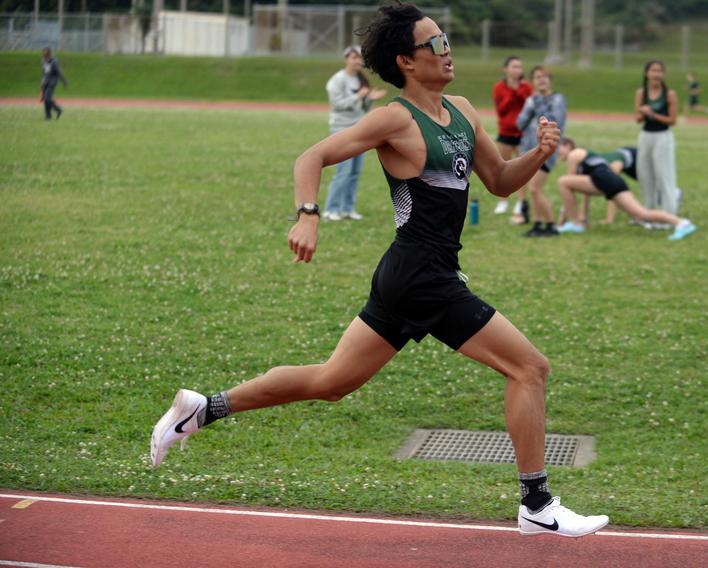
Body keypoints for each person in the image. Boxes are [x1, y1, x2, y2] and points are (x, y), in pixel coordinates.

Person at [150, 2, 609, 539]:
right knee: (529, 369)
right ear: (407, 62)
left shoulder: (461, 109)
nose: (447, 49)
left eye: (446, 39)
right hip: (421, 276)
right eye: (435, 43)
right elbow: (312, 157)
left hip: (410, 273)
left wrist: (538, 154)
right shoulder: (395, 117)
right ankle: (537, 504)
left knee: (330, 382)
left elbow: (501, 181)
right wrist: (308, 216)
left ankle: (204, 408)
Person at [555, 138, 696, 241]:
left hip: (604, 179)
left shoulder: (575, 154)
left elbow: (570, 183)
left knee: (563, 181)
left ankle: (576, 224)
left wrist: (565, 220)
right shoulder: (583, 161)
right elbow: (584, 193)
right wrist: (583, 219)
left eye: (558, 149)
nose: (556, 153)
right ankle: (682, 223)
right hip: (613, 181)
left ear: (568, 145)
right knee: (640, 214)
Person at [323, 45, 388, 221]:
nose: (357, 61)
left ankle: (347, 209)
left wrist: (369, 99)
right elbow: (337, 104)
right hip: (342, 129)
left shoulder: (361, 79)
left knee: (355, 172)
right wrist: (358, 96)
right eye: (354, 57)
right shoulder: (337, 80)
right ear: (346, 59)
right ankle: (331, 210)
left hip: (359, 129)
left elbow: (362, 106)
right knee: (343, 171)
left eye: (360, 58)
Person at [516, 65, 566, 237]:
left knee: (536, 188)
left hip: (547, 150)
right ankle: (538, 224)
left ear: (549, 79)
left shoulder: (558, 99)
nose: (541, 80)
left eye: (544, 76)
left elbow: (554, 120)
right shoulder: (531, 101)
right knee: (533, 188)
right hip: (529, 149)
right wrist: (533, 105)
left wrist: (538, 104)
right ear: (533, 81)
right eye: (537, 77)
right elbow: (520, 123)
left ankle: (551, 225)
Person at [635, 60, 679, 217]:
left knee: (664, 175)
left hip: (663, 137)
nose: (656, 74)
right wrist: (643, 113)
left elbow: (673, 120)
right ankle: (649, 212)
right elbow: (637, 118)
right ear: (646, 74)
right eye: (653, 71)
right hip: (646, 136)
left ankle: (669, 213)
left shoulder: (669, 94)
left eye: (659, 71)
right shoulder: (642, 93)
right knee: (645, 174)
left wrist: (653, 114)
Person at [491, 55, 532, 223]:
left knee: (522, 169)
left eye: (519, 67)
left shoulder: (527, 88)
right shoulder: (499, 88)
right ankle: (503, 201)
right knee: (503, 168)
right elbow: (501, 110)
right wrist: (512, 94)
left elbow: (529, 107)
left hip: (522, 134)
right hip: (505, 132)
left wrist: (519, 92)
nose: (517, 70)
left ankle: (521, 202)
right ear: (506, 69)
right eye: (514, 67)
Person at [39, 47, 67, 121]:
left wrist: (64, 82)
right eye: (43, 51)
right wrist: (42, 83)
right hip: (45, 82)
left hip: (52, 82)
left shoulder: (54, 61)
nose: (43, 53)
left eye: (45, 51)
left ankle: (58, 110)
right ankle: (48, 116)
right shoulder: (43, 61)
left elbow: (59, 72)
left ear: (49, 52)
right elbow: (44, 73)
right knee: (45, 99)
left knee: (47, 98)